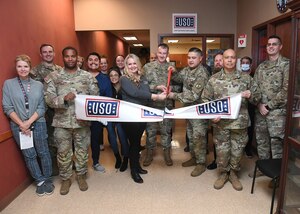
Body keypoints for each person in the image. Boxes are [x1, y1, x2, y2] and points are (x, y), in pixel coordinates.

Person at [201, 49, 260, 191]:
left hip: (239, 122)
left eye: (232, 58)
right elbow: (205, 99)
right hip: (220, 123)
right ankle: (223, 174)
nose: (229, 60)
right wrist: (211, 115)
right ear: (222, 60)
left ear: (236, 60)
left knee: (237, 151)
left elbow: (257, 97)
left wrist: (250, 95)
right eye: (226, 57)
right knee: (222, 152)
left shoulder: (246, 78)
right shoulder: (214, 79)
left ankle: (233, 173)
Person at [44, 46, 99, 195]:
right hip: (61, 123)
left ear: (77, 57)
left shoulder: (87, 77)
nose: (70, 59)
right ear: (63, 58)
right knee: (63, 153)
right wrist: (63, 99)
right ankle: (66, 179)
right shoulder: (54, 77)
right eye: (67, 56)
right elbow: (48, 100)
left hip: (82, 122)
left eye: (73, 56)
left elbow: (95, 98)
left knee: (82, 151)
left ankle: (81, 176)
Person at [2, 54, 54, 196]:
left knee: (43, 152)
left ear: (30, 68)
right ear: (16, 67)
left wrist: (29, 122)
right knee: (29, 154)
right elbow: (7, 107)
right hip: (18, 125)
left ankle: (48, 179)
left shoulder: (38, 85)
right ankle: (40, 180)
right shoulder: (9, 84)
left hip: (38, 123)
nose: (23, 69)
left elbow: (42, 107)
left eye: (25, 66)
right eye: (19, 66)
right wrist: (22, 124)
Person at [120, 54, 166, 183]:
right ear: (126, 66)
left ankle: (137, 166)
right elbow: (135, 93)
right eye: (129, 64)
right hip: (130, 117)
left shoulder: (143, 77)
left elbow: (145, 94)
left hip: (141, 115)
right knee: (134, 143)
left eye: (134, 63)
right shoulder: (124, 79)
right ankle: (134, 170)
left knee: (137, 143)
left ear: (138, 64)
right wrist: (156, 97)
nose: (132, 66)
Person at [250, 35, 289, 178]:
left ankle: (278, 175)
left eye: (274, 44)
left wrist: (268, 106)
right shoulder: (262, 66)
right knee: (262, 141)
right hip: (260, 111)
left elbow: (287, 90)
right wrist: (259, 104)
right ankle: (263, 168)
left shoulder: (286, 65)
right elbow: (255, 88)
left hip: (277, 114)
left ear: (280, 46)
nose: (270, 46)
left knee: (277, 143)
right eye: (268, 45)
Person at [168, 47, 210, 177]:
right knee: (191, 137)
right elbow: (180, 78)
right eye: (189, 57)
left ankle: (201, 163)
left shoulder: (202, 74)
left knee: (199, 138)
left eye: (194, 58)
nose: (191, 60)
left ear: (200, 59)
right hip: (189, 110)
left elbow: (193, 96)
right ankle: (194, 157)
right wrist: (174, 72)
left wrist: (173, 95)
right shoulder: (187, 70)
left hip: (199, 111)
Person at [30, 44, 62, 176]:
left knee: (61, 139)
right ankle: (52, 168)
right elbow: (33, 93)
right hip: (45, 112)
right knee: (48, 140)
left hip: (60, 110)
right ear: (41, 54)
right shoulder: (34, 71)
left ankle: (63, 166)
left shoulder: (60, 70)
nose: (48, 54)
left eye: (50, 52)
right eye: (45, 52)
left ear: (54, 54)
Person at [143, 43, 175, 167]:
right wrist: (156, 87)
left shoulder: (171, 68)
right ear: (156, 53)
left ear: (167, 54)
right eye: (160, 53)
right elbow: (143, 85)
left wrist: (172, 88)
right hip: (151, 105)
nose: (162, 55)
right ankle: (149, 153)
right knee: (150, 131)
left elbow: (178, 85)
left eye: (164, 53)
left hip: (166, 105)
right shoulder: (147, 67)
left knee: (166, 131)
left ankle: (167, 153)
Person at [86, 52, 112, 172]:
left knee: (95, 140)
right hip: (81, 117)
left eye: (96, 60)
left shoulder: (104, 79)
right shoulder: (81, 76)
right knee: (80, 140)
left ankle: (95, 162)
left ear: (99, 63)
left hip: (96, 116)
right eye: (90, 60)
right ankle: (80, 164)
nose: (93, 62)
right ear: (87, 62)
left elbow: (109, 97)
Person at [108, 66, 130, 171]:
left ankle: (126, 157)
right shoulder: (108, 88)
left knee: (122, 136)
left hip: (122, 117)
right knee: (112, 136)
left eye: (115, 75)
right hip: (110, 116)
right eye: (111, 75)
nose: (113, 77)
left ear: (119, 76)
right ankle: (117, 157)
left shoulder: (125, 87)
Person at [206, 51, 224, 170]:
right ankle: (216, 160)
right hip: (215, 114)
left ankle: (227, 165)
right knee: (216, 139)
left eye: (220, 60)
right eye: (216, 60)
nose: (218, 63)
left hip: (228, 114)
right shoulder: (212, 77)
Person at [240, 56, 255, 158]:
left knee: (250, 127)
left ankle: (248, 149)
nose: (245, 64)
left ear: (250, 65)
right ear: (240, 64)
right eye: (243, 62)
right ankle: (239, 148)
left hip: (251, 105)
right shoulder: (238, 76)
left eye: (247, 63)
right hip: (240, 106)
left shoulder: (254, 76)